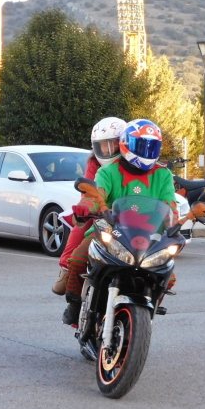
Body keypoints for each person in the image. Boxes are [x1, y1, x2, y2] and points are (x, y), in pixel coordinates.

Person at [61, 119, 178, 325]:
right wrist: (86, 207)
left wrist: (174, 228)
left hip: (148, 237)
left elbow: (170, 205)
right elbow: (96, 194)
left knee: (168, 273)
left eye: (152, 147)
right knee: (78, 258)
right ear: (125, 144)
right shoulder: (107, 171)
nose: (146, 152)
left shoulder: (163, 174)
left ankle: (148, 309)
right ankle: (75, 305)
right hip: (109, 231)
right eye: (141, 146)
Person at [52, 116, 127, 295]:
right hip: (101, 211)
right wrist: (86, 207)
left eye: (114, 144)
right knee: (81, 225)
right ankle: (65, 269)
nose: (109, 150)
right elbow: (88, 192)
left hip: (128, 215)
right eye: (103, 145)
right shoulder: (94, 164)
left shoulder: (134, 164)